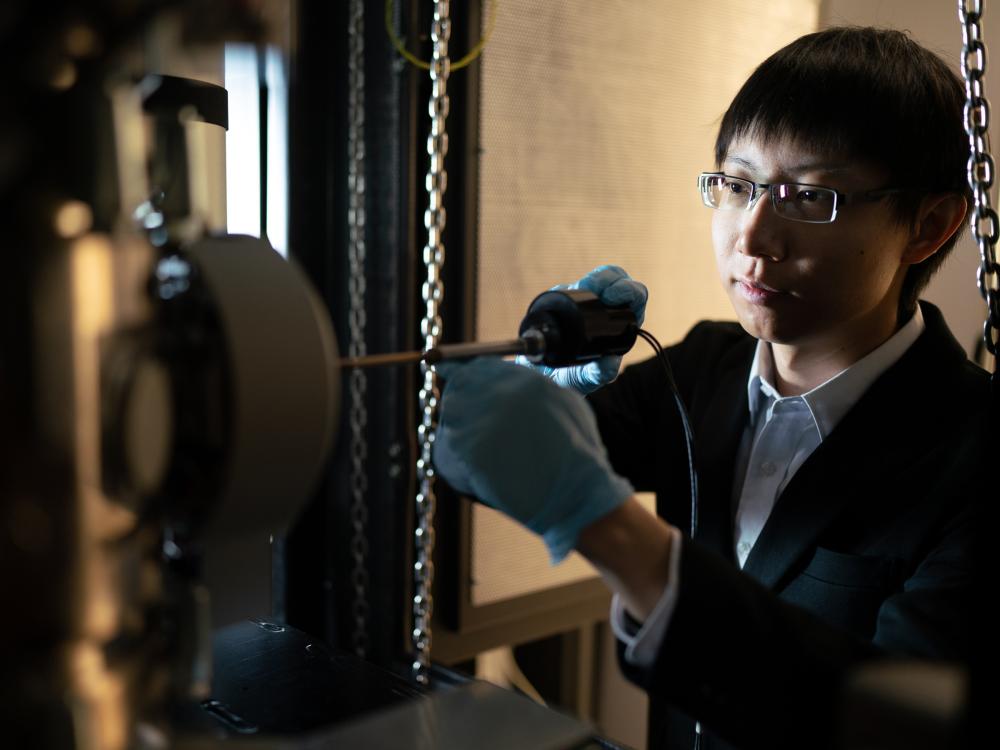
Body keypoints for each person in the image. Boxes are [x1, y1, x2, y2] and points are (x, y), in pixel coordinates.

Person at [433, 27, 991, 750]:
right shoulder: (704, 369)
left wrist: (614, 534)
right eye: (737, 183)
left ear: (929, 225)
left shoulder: (973, 449)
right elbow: (491, 455)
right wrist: (535, 383)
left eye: (810, 196)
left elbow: (894, 730)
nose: (753, 237)